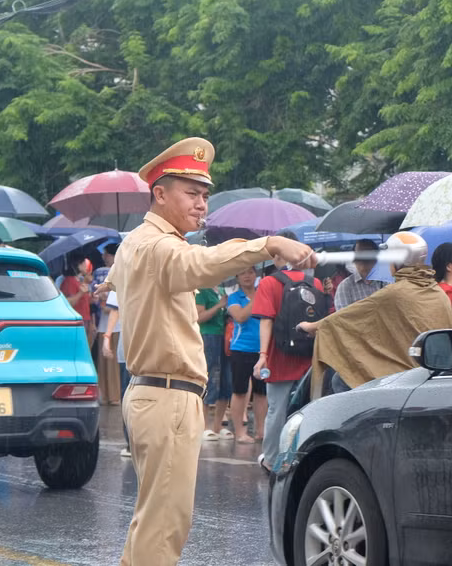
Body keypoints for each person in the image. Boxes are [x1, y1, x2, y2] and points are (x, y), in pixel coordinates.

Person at [100, 137, 316, 566]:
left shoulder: (139, 243)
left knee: (153, 524)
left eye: (204, 196)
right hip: (166, 396)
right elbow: (196, 265)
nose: (201, 205)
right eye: (191, 194)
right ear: (159, 194)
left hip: (159, 395)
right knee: (163, 530)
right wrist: (268, 244)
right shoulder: (157, 245)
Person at [299, 232, 452, 399]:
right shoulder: (437, 292)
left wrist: (311, 326)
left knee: (339, 380)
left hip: (406, 374)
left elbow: (345, 317)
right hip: (432, 372)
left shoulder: (393, 292)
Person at [252, 230, 328, 472]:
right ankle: (302, 458)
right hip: (308, 357)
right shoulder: (314, 283)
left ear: (277, 256)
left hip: (279, 357)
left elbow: (266, 320)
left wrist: (263, 356)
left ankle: (272, 460)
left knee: (277, 409)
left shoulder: (268, 282)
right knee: (307, 409)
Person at [227, 267, 266, 444]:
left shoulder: (264, 294)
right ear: (237, 276)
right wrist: (256, 298)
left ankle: (260, 430)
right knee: (240, 391)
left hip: (263, 351)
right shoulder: (234, 298)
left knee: (261, 392)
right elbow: (240, 316)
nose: (247, 276)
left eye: (250, 272)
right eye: (242, 272)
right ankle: (240, 432)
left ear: (256, 274)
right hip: (241, 349)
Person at [196, 285, 233, 440]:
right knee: (209, 378)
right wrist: (219, 306)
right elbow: (199, 317)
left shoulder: (222, 291)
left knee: (226, 380)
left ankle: (217, 426)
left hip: (224, 336)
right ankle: (204, 426)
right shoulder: (201, 291)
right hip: (208, 336)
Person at [103, 292, 131, 457]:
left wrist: (107, 337)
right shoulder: (122, 271)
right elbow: (115, 308)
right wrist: (107, 336)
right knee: (129, 398)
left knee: (130, 398)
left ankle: (134, 444)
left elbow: (115, 308)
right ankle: (132, 443)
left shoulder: (123, 270)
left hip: (135, 350)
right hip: (130, 350)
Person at [333, 239, 385, 310]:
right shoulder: (345, 287)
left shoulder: (386, 283)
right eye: (359, 254)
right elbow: (343, 318)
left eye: (367, 254)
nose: (363, 258)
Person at [60, 254, 95, 345]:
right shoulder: (70, 281)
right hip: (76, 322)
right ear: (78, 265)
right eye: (84, 262)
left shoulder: (80, 281)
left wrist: (93, 298)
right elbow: (68, 303)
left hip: (85, 319)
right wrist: (81, 293)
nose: (86, 265)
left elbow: (86, 302)